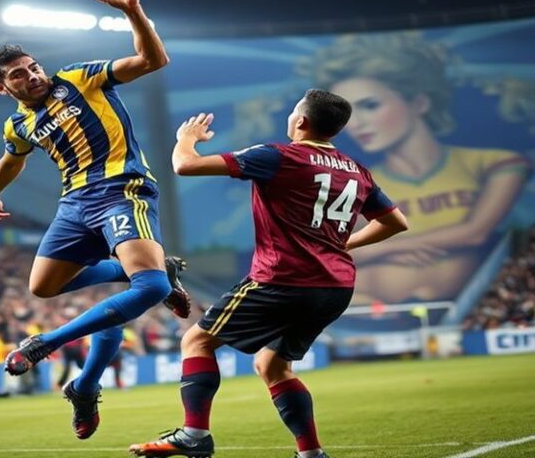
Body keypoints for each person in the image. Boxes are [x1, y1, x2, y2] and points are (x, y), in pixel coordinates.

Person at [129, 90, 409, 458]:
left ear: (301, 121)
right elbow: (395, 222)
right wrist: (343, 245)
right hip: (335, 286)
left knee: (196, 342)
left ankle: (195, 434)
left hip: (282, 279)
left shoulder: (278, 156)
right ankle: (311, 453)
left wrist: (186, 139)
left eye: (294, 110)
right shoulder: (357, 171)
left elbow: (186, 166)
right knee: (273, 365)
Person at [0, 0, 190, 440]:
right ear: (2, 88)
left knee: (151, 289)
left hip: (122, 188)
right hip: (74, 204)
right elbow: (10, 160)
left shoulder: (78, 78)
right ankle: (85, 385)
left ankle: (45, 345)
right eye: (18, 74)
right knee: (43, 288)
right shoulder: (17, 125)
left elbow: (153, 60)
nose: (32, 75)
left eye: (33, 66)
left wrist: (132, 10)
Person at [302, 33, 531, 302]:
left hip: (459, 313)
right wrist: (389, 249)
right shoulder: (355, 183)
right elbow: (324, 253)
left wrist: (387, 246)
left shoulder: (496, 164)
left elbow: (475, 233)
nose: (356, 124)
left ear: (419, 102)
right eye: (346, 115)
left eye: (370, 106)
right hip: (357, 317)